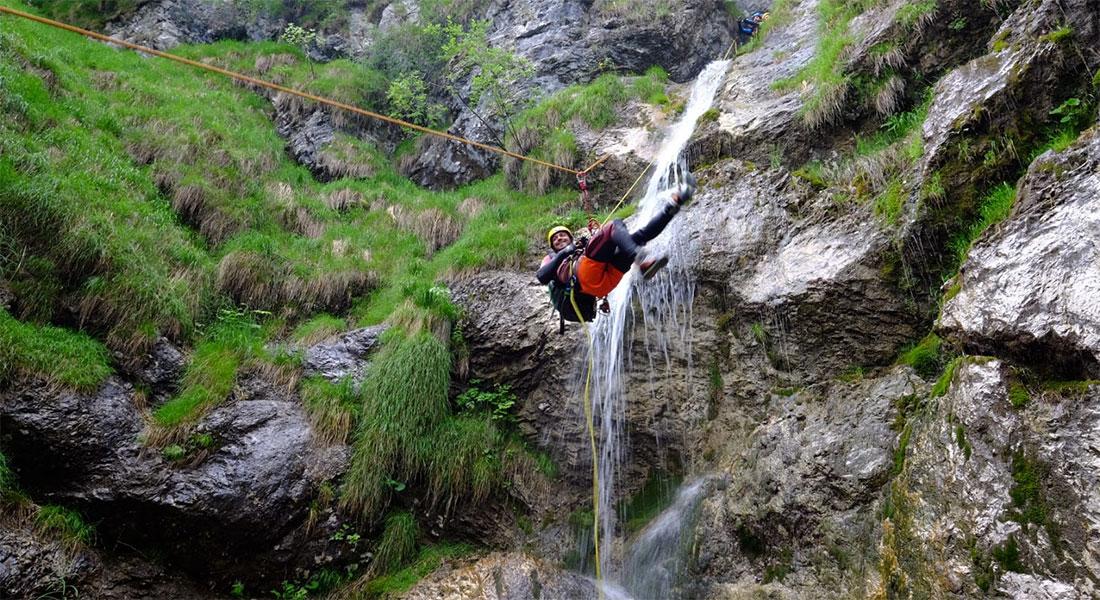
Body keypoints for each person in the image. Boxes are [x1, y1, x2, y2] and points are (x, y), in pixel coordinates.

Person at [536, 172, 697, 329]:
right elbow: (542, 276)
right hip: (585, 278)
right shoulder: (552, 257)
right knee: (614, 225)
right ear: (552, 246)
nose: (559, 238)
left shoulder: (580, 249)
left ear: (570, 237)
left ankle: (673, 204)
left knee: (638, 238)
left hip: (605, 283)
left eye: (562, 235)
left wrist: (581, 247)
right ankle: (640, 259)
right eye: (555, 239)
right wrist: (565, 252)